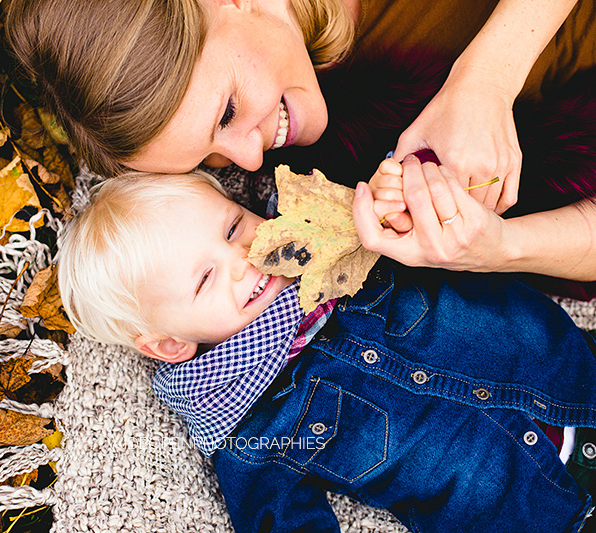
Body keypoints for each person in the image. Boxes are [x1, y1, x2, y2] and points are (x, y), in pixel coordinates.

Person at [57, 170, 596, 532]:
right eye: (205, 278)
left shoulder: (340, 243)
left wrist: (391, 202)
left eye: (233, 227)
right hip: (533, 508)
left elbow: (417, 229)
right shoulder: (247, 434)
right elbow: (280, 518)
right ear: (173, 343)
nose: (244, 258)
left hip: (570, 371)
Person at [5, 0, 596, 283]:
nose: (252, 156)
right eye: (211, 158)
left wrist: (485, 80)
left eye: (228, 111)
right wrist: (501, 248)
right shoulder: (339, 139)